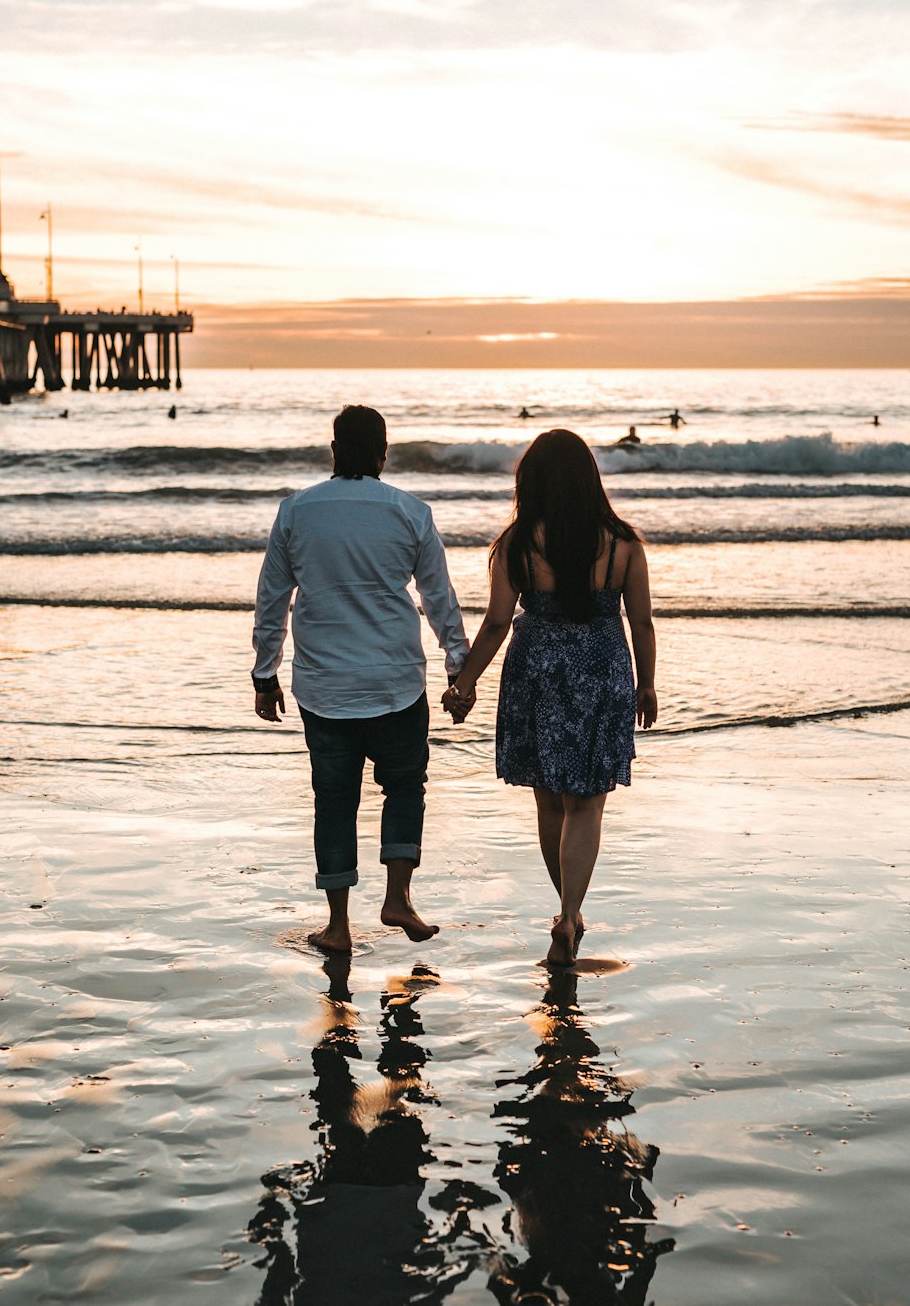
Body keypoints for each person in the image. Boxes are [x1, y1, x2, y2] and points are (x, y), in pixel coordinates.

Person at [252, 405, 470, 954]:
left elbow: (273, 599)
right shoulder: (410, 511)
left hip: (324, 686)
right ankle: (398, 897)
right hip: (396, 679)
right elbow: (438, 597)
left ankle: (339, 927)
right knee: (404, 786)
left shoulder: (296, 512)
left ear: (333, 450)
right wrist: (457, 665)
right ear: (383, 453)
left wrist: (264, 672)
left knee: (334, 800)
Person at [442, 429, 657, 967]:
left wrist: (463, 683)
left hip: (537, 669)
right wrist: (648, 684)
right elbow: (642, 621)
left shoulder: (516, 543)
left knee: (548, 799)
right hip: (604, 668)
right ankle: (569, 914)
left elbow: (494, 623)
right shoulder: (624, 541)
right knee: (587, 802)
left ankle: (568, 915)